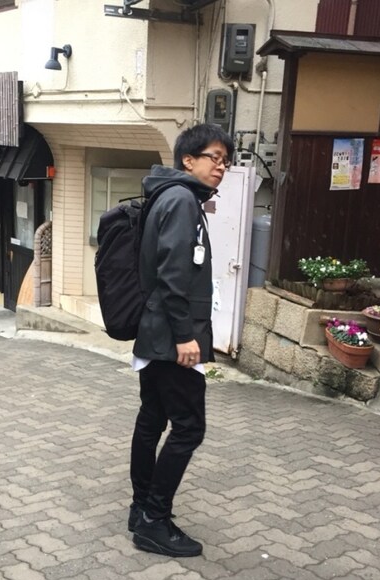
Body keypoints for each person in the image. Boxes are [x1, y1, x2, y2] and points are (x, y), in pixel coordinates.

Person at [129, 123, 234, 557]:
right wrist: (185, 336)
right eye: (214, 157)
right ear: (188, 160)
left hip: (156, 335)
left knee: (153, 419)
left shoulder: (169, 196)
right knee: (189, 428)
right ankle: (154, 520)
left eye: (226, 161)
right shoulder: (181, 200)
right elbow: (173, 275)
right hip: (173, 339)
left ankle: (141, 510)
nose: (221, 167)